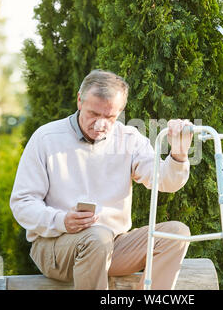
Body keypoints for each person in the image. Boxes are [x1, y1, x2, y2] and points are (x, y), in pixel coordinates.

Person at [10, 69, 194, 290]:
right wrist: (61, 220)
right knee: (97, 237)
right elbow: (22, 204)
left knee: (176, 234)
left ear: (120, 111)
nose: (100, 124)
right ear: (79, 100)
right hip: (55, 247)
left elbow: (164, 182)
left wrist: (179, 154)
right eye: (93, 114)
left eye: (109, 117)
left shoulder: (129, 138)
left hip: (111, 246)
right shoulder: (46, 138)